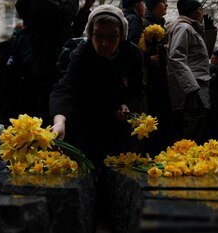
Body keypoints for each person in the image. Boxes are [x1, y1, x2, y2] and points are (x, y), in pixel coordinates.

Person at [49, 4, 146, 227]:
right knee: (87, 173)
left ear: (121, 35)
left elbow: (137, 91)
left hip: (119, 122)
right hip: (87, 119)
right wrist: (59, 120)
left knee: (120, 175)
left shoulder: (133, 54)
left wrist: (127, 105)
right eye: (98, 36)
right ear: (90, 34)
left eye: (111, 37)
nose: (104, 44)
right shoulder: (82, 54)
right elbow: (66, 88)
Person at [15, 0, 79, 127]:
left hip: (54, 69)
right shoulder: (39, 4)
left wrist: (85, 9)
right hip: (49, 70)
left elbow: (70, 33)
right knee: (49, 119)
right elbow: (66, 16)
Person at [166, 0, 216, 145]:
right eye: (201, 9)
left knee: (200, 127)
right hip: (194, 89)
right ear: (193, 11)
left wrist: (210, 31)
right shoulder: (184, 28)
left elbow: (202, 56)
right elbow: (176, 57)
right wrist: (192, 87)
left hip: (198, 86)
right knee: (194, 130)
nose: (203, 12)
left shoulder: (192, 29)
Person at [140, 0, 172, 156]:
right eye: (162, 2)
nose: (166, 5)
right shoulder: (145, 23)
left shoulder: (161, 23)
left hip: (161, 80)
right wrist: (148, 58)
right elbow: (137, 48)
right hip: (152, 83)